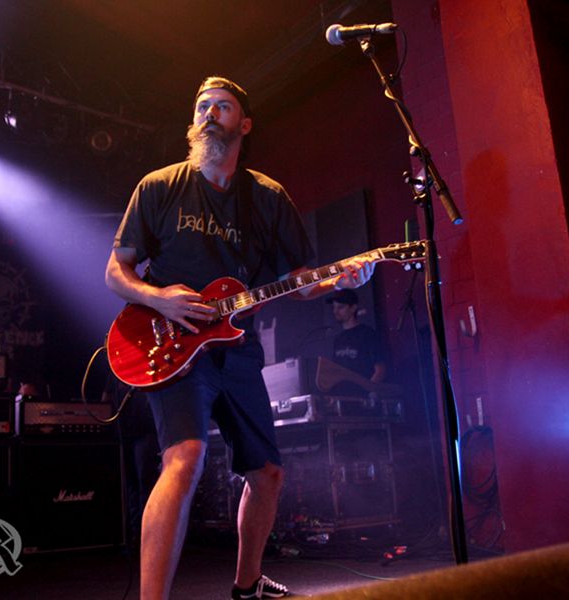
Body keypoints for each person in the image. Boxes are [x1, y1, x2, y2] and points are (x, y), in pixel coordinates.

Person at [105, 76, 374, 600]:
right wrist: (160, 300)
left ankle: (248, 585)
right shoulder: (160, 186)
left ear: (244, 124)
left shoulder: (267, 197)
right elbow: (116, 272)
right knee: (184, 457)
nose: (209, 113)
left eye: (222, 106)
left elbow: (299, 283)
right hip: (175, 346)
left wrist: (338, 281)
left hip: (237, 349)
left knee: (267, 472)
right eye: (202, 106)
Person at [327, 288, 387, 395]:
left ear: (353, 308)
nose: (335, 311)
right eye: (334, 307)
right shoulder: (338, 339)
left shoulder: (367, 334)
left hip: (362, 397)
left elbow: (380, 369)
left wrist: (368, 393)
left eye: (340, 307)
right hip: (343, 397)